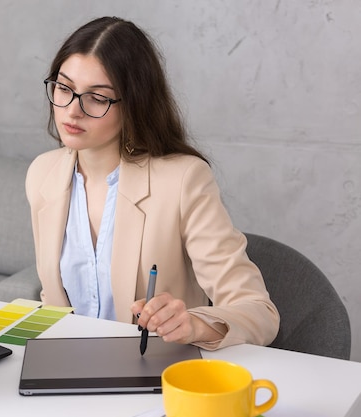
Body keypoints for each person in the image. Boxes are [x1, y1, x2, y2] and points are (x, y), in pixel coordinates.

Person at [25, 16, 279, 350]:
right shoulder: (42, 173)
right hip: (69, 363)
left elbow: (260, 312)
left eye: (97, 98)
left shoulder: (183, 180)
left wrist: (194, 324)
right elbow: (53, 300)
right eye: (64, 88)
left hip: (154, 371)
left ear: (133, 104)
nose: (73, 111)